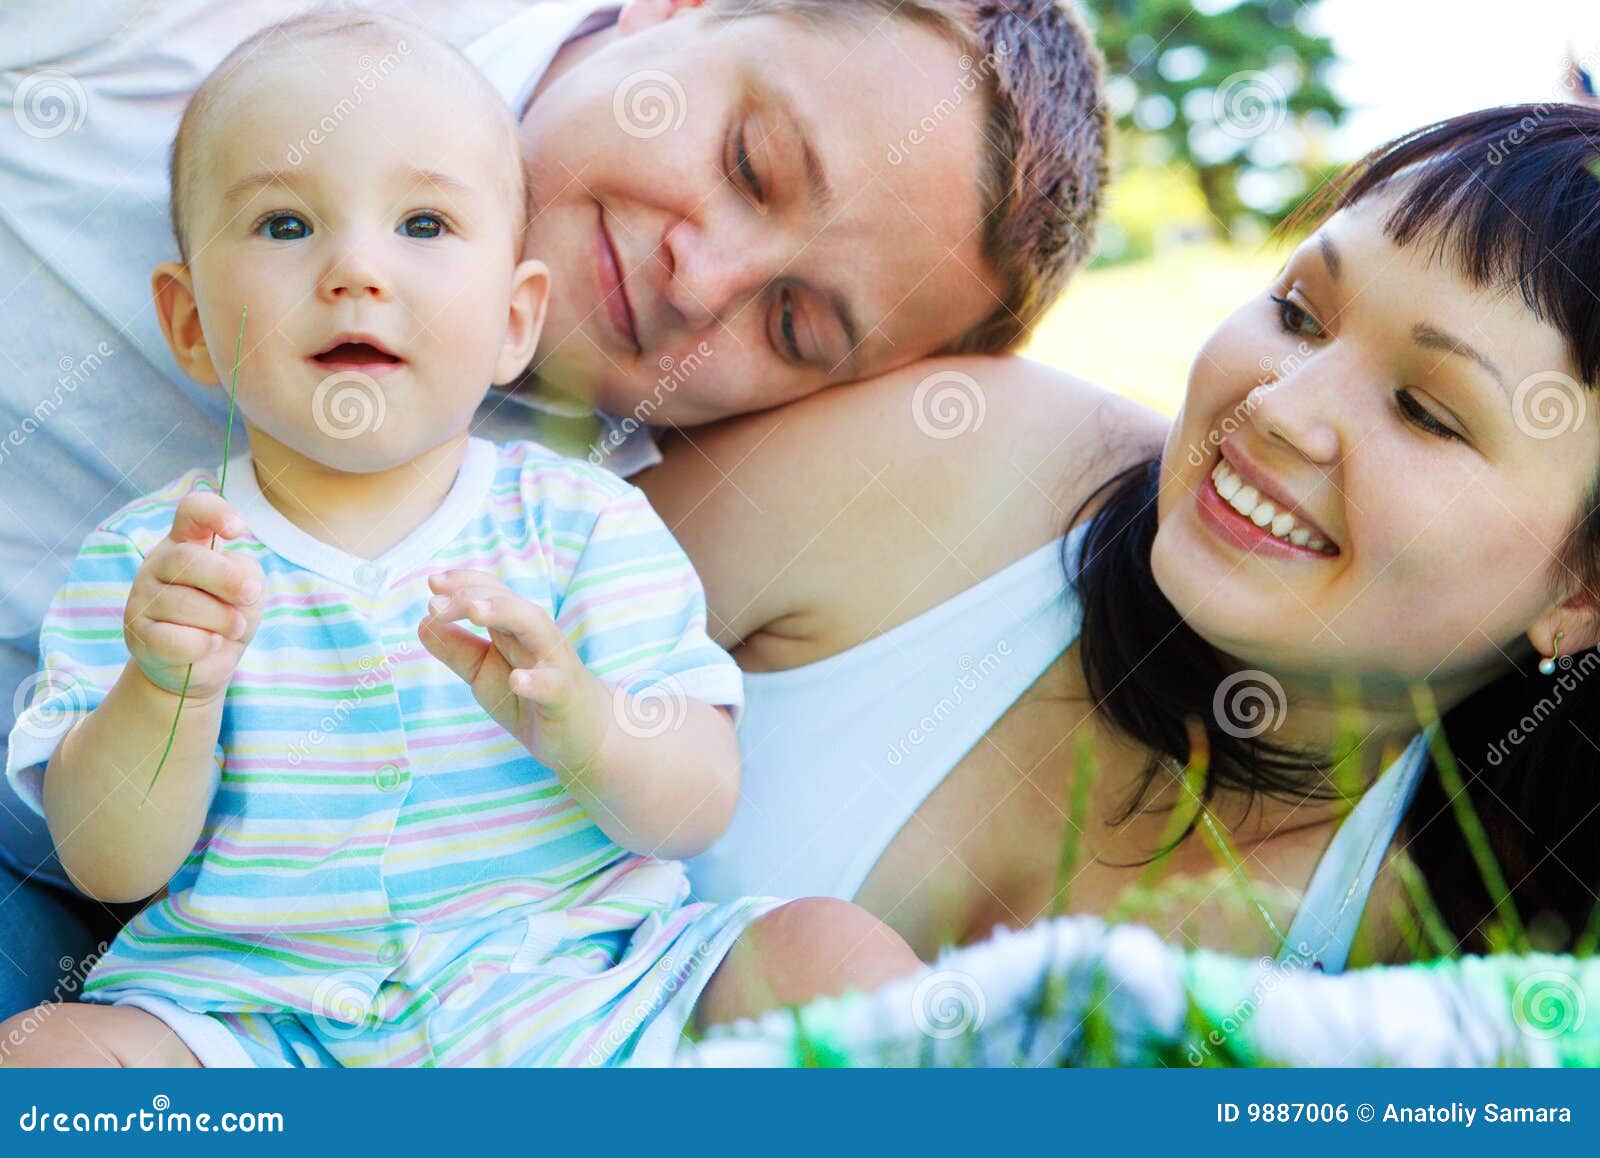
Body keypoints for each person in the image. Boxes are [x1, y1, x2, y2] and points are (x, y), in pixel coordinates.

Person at [0, 0, 1107, 1015]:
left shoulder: (591, 506)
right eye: (748, 161)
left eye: (794, 329)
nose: (703, 277)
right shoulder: (206, 29)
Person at [658, 103, 1600, 970]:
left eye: (1425, 411)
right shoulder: (954, 460)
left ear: (1582, 592)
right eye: (1299, 314)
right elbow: (519, 614)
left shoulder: (1471, 968)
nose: (1278, 409)